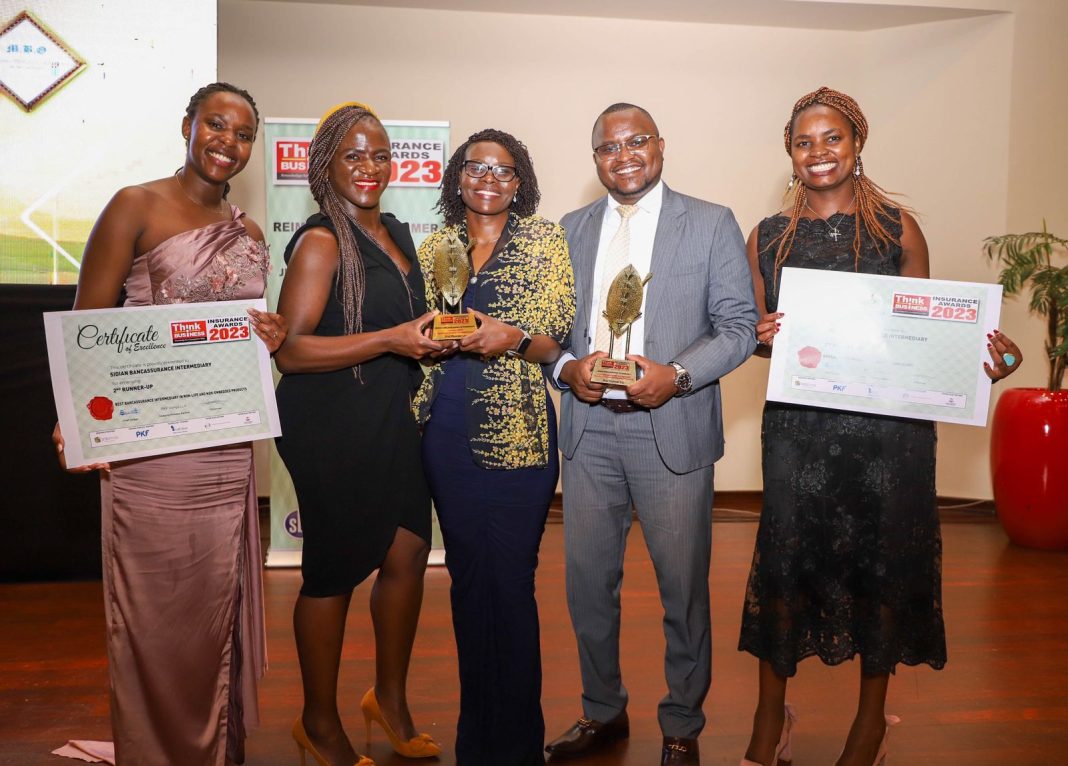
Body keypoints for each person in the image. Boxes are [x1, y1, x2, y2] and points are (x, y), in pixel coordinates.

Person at [737, 86, 1024, 766]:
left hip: (887, 437)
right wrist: (757, 332)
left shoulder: (898, 229)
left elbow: (921, 342)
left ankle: (871, 723)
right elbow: (750, 335)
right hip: (799, 428)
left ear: (857, 143)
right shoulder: (768, 236)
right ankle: (770, 713)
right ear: (790, 152)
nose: (819, 151)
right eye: (804, 141)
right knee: (785, 563)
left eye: (832, 137)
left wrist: (983, 366)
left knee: (882, 565)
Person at [52, 82, 287, 765]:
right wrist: (75, 420)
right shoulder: (136, 205)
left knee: (215, 607)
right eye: (216, 125)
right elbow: (85, 322)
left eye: (243, 134)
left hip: (224, 444)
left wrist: (265, 334)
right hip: (150, 450)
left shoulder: (246, 230)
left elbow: (232, 332)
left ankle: (215, 747)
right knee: (158, 613)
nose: (228, 142)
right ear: (187, 125)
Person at [545, 103, 758, 766]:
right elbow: (550, 332)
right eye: (609, 146)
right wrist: (564, 368)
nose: (624, 154)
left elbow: (738, 329)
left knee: (683, 589)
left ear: (660, 146)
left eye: (637, 141)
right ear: (595, 160)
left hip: (672, 432)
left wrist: (679, 374)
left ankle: (682, 724)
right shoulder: (570, 228)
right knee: (586, 585)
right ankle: (602, 711)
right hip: (588, 435)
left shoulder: (712, 222)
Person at [273, 102, 444, 766]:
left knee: (405, 557)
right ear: (325, 165)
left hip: (390, 418)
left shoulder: (397, 232)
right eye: (353, 155)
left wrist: (430, 339)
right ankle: (319, 722)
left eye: (379, 154)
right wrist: (393, 340)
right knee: (334, 573)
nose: (369, 167)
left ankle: (390, 701)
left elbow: (406, 323)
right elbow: (291, 351)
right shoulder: (321, 241)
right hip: (331, 425)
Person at [413, 128, 575, 766]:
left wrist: (508, 336)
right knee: (466, 582)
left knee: (510, 585)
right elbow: (419, 328)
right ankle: (475, 745)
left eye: (504, 171)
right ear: (458, 176)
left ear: (520, 182)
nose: (489, 179)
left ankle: (517, 748)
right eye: (477, 167)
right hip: (446, 428)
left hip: (518, 436)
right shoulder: (435, 246)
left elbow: (554, 329)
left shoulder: (543, 240)